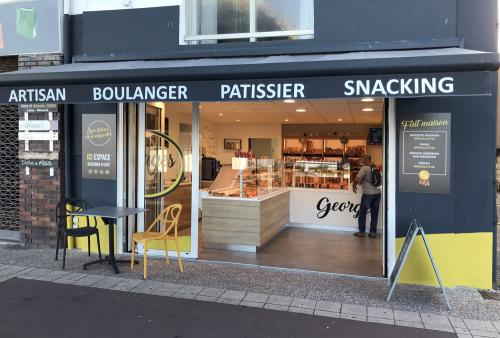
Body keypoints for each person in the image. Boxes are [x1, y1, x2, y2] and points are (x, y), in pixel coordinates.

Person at [352, 154, 381, 238]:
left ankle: (361, 232)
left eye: (362, 159)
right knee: (374, 213)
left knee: (362, 213)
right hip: (378, 194)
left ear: (366, 159)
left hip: (368, 194)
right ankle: (372, 233)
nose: (361, 160)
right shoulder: (375, 167)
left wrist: (354, 185)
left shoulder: (364, 168)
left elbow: (357, 178)